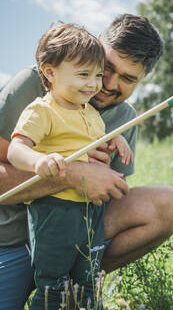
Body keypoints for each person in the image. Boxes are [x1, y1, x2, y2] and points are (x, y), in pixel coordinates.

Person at [0, 14, 173, 309]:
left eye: (128, 78)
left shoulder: (125, 117)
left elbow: (109, 193)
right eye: (106, 68)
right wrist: (71, 174)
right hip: (10, 237)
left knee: (167, 203)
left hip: (74, 231)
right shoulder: (33, 87)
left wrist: (104, 177)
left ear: (142, 81)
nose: (106, 84)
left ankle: (78, 281)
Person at [7, 23, 134, 309]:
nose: (94, 84)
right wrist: (38, 161)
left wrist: (117, 139)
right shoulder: (42, 110)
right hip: (53, 210)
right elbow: (17, 149)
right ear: (50, 72)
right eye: (83, 74)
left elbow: (97, 138)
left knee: (88, 280)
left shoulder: (89, 111)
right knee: (53, 283)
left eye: (98, 75)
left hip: (89, 210)